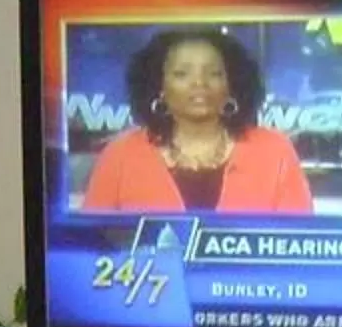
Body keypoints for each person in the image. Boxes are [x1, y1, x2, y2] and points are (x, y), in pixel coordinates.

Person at [79, 28, 313, 214]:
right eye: (182, 74)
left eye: (214, 73)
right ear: (159, 86)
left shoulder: (274, 151)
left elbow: (301, 244)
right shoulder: (121, 155)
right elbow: (91, 247)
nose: (199, 83)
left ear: (231, 85)